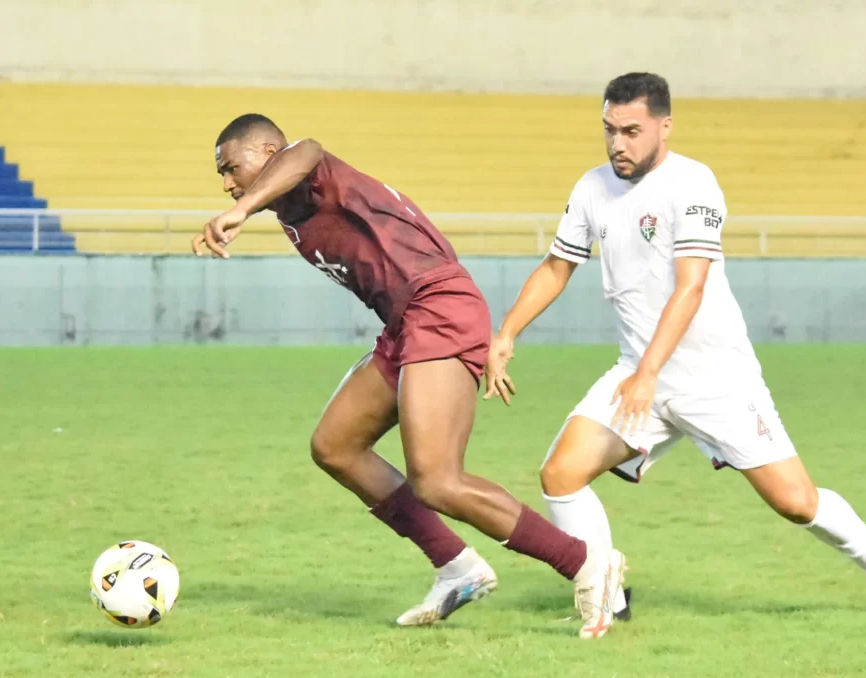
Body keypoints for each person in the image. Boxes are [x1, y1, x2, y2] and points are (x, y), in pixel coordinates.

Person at [484, 73, 866, 629]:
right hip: (639, 374)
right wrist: (506, 332)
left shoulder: (694, 183)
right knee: (561, 473)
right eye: (609, 130)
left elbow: (691, 287)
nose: (617, 144)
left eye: (631, 131)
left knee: (796, 502)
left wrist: (652, 371)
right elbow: (559, 265)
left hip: (714, 380)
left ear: (664, 125)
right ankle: (608, 596)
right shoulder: (591, 188)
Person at [191, 114, 625, 639]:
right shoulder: (288, 209)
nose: (227, 181)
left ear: (266, 149)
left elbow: (305, 150)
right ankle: (457, 567)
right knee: (335, 445)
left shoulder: (307, 166)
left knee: (438, 480)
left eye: (232, 167)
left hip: (437, 306)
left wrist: (240, 208)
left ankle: (587, 565)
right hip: (406, 321)